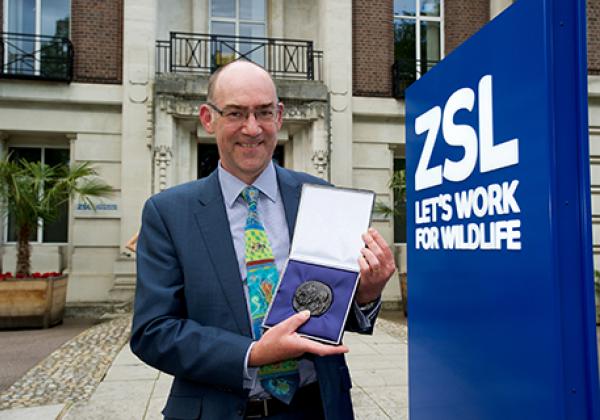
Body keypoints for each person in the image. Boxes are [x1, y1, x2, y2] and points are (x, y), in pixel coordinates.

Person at [130, 60, 396, 420]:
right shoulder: (168, 213)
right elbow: (153, 331)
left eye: (263, 113)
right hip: (217, 410)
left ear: (280, 116)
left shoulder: (321, 198)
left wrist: (366, 292)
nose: (252, 128)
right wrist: (252, 352)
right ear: (208, 118)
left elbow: (329, 312)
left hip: (316, 406)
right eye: (236, 113)